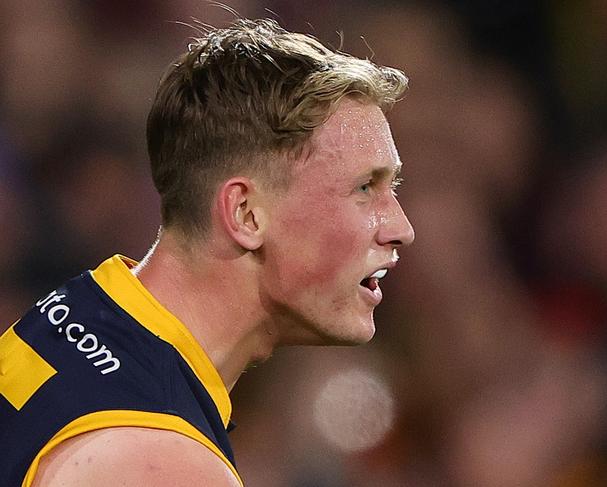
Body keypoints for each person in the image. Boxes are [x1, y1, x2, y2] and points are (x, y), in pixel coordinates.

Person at [0, 18, 414, 486]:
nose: (401, 229)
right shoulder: (163, 462)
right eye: (365, 188)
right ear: (245, 214)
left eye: (391, 187)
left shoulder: (81, 313)